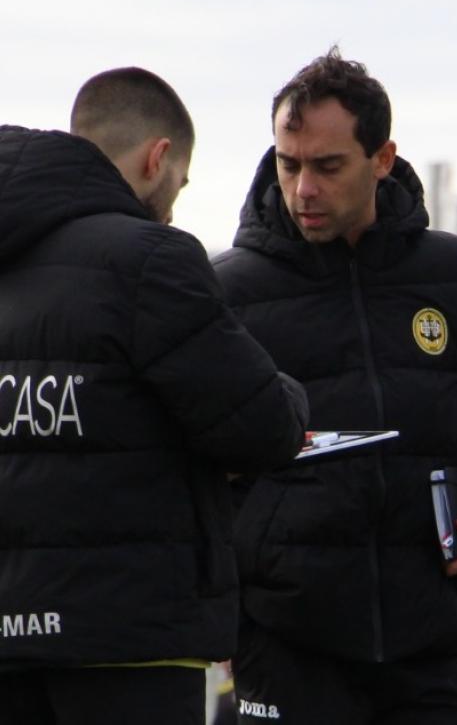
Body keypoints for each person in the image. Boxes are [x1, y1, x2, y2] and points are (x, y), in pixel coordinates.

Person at [212, 47, 457, 724]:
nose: (304, 188)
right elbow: (199, 459)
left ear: (383, 158)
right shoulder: (226, 292)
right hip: (285, 639)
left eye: (328, 166)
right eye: (289, 164)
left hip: (433, 638)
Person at [0, 68, 309, 724]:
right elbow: (261, 425)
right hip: (127, 633)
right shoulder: (149, 260)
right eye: (182, 181)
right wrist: (290, 395)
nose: (173, 200)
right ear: (157, 158)